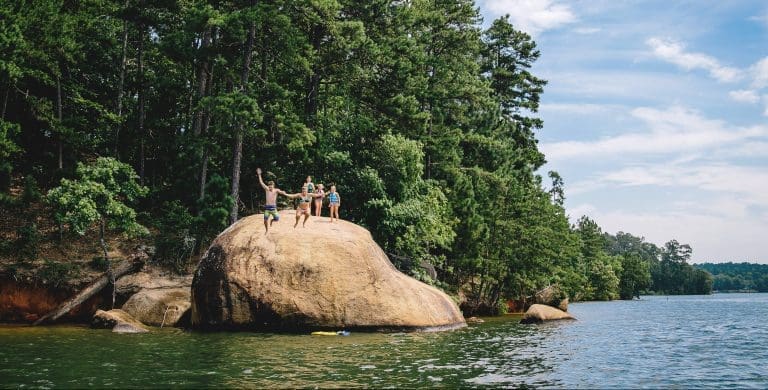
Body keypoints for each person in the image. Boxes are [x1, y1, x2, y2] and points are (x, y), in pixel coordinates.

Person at [257, 168, 287, 233]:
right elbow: (261, 182)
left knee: (277, 219)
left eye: (271, 187)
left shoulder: (276, 190)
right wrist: (259, 175)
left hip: (273, 208)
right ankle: (267, 230)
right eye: (269, 187)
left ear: (273, 186)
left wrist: (283, 192)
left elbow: (281, 191)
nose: (270, 188)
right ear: (268, 186)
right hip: (267, 208)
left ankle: (272, 221)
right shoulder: (267, 189)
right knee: (265, 220)